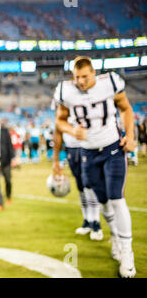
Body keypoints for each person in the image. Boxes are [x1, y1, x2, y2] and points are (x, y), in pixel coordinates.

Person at [54, 56, 137, 278]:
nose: (80, 81)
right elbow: (60, 120)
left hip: (112, 149)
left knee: (117, 198)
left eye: (85, 76)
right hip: (88, 153)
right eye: (77, 77)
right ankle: (116, 238)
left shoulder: (109, 82)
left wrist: (130, 136)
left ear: (94, 73)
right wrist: (73, 131)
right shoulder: (65, 90)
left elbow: (126, 109)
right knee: (103, 201)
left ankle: (127, 254)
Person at [52, 123, 103, 241]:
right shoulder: (61, 105)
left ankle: (96, 224)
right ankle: (87, 221)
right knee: (80, 186)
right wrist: (56, 159)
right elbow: (58, 127)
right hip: (71, 147)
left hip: (87, 145)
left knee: (89, 185)